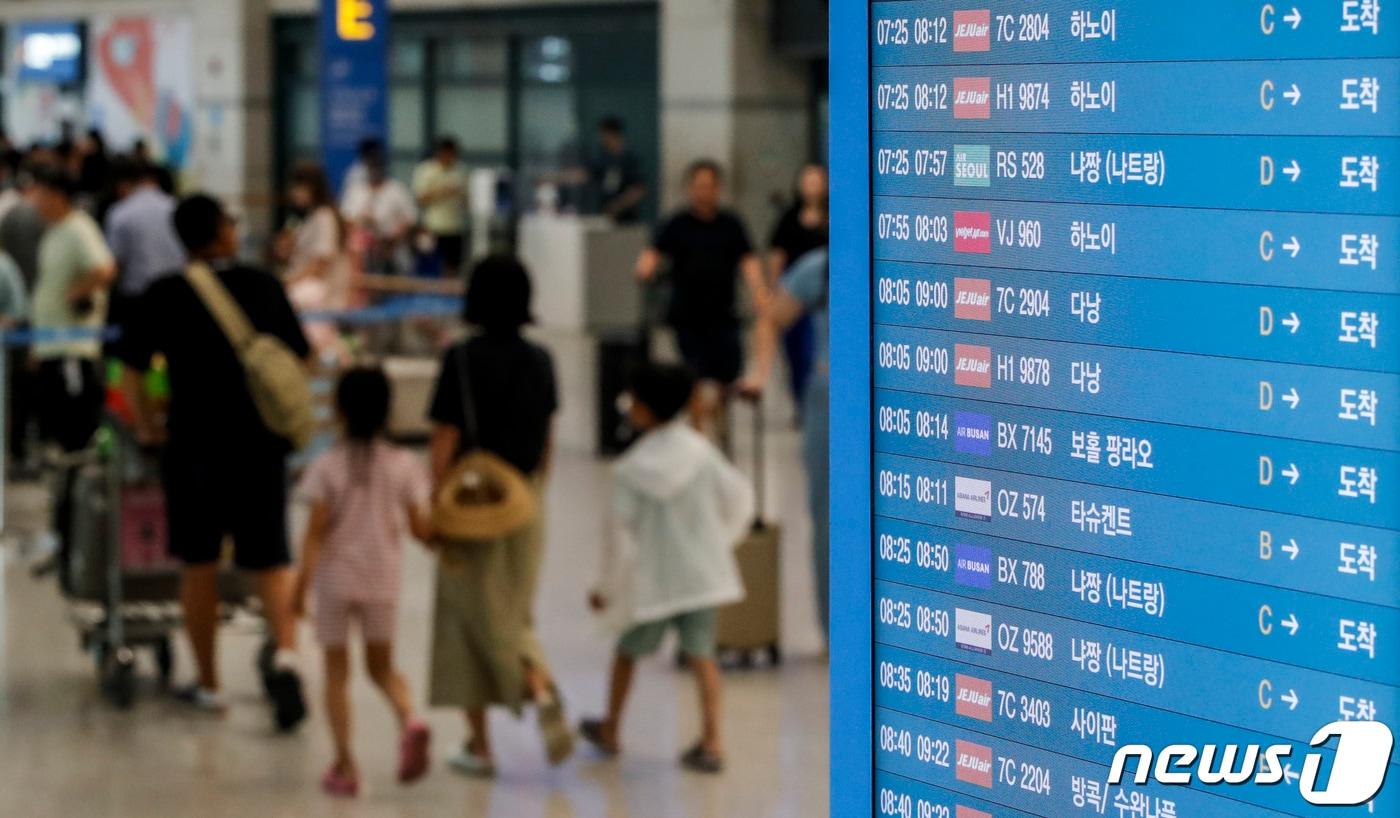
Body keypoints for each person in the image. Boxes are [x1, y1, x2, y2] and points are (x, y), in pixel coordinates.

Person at [117, 194, 310, 730]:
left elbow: (131, 370)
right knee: (270, 562)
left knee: (199, 564)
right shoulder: (265, 285)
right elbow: (299, 356)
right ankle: (289, 658)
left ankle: (209, 684)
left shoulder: (165, 293)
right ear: (222, 233)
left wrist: (149, 424)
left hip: (195, 447)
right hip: (261, 446)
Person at [426, 255, 573, 775]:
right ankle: (536, 683)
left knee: (471, 619)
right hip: (524, 500)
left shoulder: (461, 358)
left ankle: (487, 738)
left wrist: (437, 507)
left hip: (472, 503)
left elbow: (444, 442)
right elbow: (549, 443)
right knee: (512, 610)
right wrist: (531, 497)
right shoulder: (543, 360)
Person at [579, 363, 753, 774]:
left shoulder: (630, 470)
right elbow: (740, 498)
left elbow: (617, 539)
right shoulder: (700, 451)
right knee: (702, 657)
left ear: (642, 409)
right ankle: (713, 742)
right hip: (701, 578)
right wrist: (720, 544)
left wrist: (605, 587)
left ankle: (611, 729)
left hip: (654, 584)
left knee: (627, 652)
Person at [294, 366, 434, 797]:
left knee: (337, 673)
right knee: (382, 667)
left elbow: (315, 533)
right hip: (381, 579)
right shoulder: (405, 465)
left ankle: (345, 764)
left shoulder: (326, 467)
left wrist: (299, 591)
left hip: (336, 581)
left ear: (338, 410)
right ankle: (408, 717)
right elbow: (421, 531)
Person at [635, 160, 767, 441]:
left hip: (723, 313)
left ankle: (716, 420)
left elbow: (749, 261)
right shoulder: (677, 224)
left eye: (708, 186)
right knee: (693, 376)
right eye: (697, 186)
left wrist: (759, 291)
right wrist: (645, 268)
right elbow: (653, 253)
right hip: (688, 315)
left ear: (717, 189)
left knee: (723, 377)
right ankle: (697, 433)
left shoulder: (731, 224)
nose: (703, 192)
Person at [740, 247, 830, 639]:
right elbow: (772, 318)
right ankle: (836, 629)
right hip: (833, 399)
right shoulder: (823, 266)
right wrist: (759, 374)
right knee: (830, 518)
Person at [767, 164, 828, 413]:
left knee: (819, 353)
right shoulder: (789, 219)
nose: (812, 187)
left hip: (824, 299)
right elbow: (777, 256)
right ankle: (801, 402)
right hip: (794, 296)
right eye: (807, 181)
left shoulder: (834, 216)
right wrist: (774, 290)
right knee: (796, 354)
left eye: (817, 181)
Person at [278, 162, 354, 361]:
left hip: (321, 296)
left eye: (299, 187)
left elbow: (319, 266)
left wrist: (287, 282)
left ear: (313, 188)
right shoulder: (312, 217)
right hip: (313, 293)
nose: (294, 193)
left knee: (325, 346)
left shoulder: (324, 217)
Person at [104, 159, 186, 323]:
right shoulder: (176, 207)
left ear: (122, 185)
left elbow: (113, 263)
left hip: (136, 298)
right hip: (178, 294)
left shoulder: (121, 212)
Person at [341, 156, 417, 276]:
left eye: (377, 168)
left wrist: (393, 239)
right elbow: (346, 218)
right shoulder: (356, 190)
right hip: (360, 251)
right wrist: (362, 223)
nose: (374, 172)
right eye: (371, 168)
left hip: (391, 247)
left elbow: (410, 218)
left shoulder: (397, 190)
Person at [412, 138, 468, 278]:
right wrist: (443, 191)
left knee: (452, 266)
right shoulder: (426, 170)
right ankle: (428, 296)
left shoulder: (460, 170)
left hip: (455, 227)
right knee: (428, 265)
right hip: (432, 226)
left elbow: (467, 199)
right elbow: (420, 198)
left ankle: (448, 297)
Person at [590, 117, 646, 223]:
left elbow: (639, 189)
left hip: (626, 217)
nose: (601, 138)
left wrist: (617, 206)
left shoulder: (629, 158)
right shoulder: (603, 157)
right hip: (605, 214)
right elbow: (588, 174)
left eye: (603, 134)